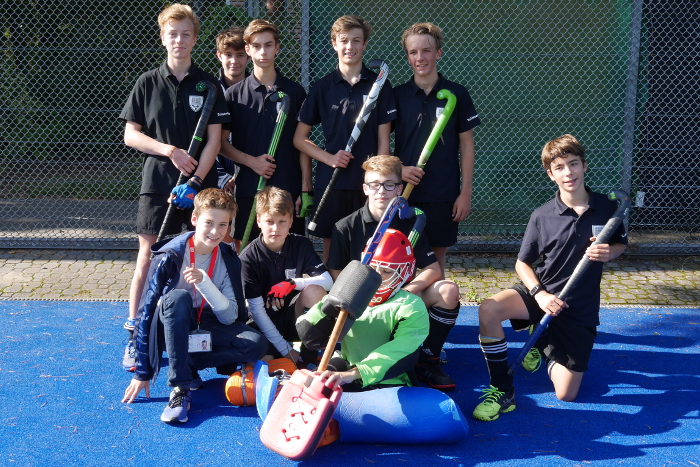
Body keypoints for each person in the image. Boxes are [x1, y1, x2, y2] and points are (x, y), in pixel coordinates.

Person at [472, 134, 627, 422]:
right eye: (559, 167)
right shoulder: (542, 216)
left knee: (566, 393)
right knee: (489, 309)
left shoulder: (608, 208)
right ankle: (502, 389)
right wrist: (539, 294)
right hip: (542, 293)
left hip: (579, 307)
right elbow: (522, 263)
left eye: (573, 164)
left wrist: (610, 252)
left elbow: (621, 243)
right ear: (550, 174)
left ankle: (542, 339)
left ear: (584, 165)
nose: (568, 172)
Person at [119, 4, 230, 372]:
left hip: (199, 187)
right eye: (172, 33)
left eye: (185, 34)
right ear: (163, 37)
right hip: (158, 183)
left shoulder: (209, 85)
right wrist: (170, 151)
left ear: (195, 39)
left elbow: (214, 141)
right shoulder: (147, 82)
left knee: (201, 255)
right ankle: (136, 334)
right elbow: (131, 135)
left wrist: (196, 180)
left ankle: (196, 329)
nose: (179, 40)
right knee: (148, 255)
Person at [121, 188, 267, 424]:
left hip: (205, 321)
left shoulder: (228, 258)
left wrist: (205, 283)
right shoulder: (169, 256)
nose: (215, 231)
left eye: (223, 225)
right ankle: (180, 388)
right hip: (170, 326)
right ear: (194, 219)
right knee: (179, 298)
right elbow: (146, 313)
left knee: (255, 344)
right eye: (209, 223)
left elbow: (230, 317)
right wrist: (142, 371)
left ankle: (189, 364)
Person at [327, 155, 462, 391]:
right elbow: (336, 274)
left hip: (399, 298)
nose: (381, 191)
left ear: (399, 189)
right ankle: (350, 355)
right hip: (361, 303)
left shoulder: (409, 224)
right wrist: (361, 296)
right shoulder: (345, 226)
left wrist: (404, 293)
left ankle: (427, 359)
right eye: (374, 184)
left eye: (389, 184)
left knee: (448, 290)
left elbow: (433, 269)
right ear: (365, 188)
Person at [294, 15, 396, 262]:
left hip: (368, 183)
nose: (350, 46)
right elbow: (299, 138)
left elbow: (384, 141)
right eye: (344, 40)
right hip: (332, 181)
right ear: (334, 44)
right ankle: (334, 288)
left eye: (356, 40)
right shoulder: (322, 87)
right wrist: (329, 158)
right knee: (333, 249)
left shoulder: (380, 85)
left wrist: (380, 180)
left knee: (370, 247)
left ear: (365, 44)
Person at [393, 22, 481, 277]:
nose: (420, 57)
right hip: (404, 190)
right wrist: (399, 170)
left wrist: (465, 192)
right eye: (413, 52)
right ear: (408, 57)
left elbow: (467, 144)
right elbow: (381, 142)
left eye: (427, 50)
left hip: (443, 191)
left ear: (438, 53)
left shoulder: (457, 93)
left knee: (436, 262)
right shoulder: (397, 95)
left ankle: (436, 302)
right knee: (403, 257)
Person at [298, 228, 429, 391]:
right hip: (347, 363)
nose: (377, 276)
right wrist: (330, 304)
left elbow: (401, 350)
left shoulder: (410, 306)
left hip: (387, 378)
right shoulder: (351, 294)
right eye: (372, 267)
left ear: (405, 271)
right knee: (314, 387)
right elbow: (308, 336)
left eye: (387, 271)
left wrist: (355, 373)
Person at [219, 19, 310, 252]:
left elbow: (303, 144)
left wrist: (304, 188)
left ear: (277, 47)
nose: (263, 52)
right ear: (248, 50)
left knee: (289, 253)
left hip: (288, 188)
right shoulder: (233, 95)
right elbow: (221, 143)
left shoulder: (295, 92)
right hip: (249, 188)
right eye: (256, 46)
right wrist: (252, 162)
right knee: (246, 252)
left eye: (268, 45)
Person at [239, 187, 332, 368]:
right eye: (269, 221)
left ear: (291, 221)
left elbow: (328, 282)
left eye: (282, 221)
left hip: (292, 316)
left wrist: (292, 283)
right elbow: (256, 311)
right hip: (261, 321)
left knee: (315, 291)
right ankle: (288, 356)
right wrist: (286, 351)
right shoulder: (248, 258)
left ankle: (309, 353)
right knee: (262, 362)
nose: (276, 228)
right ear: (259, 221)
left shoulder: (301, 244)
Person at [213, 26, 249, 245]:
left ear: (248, 55)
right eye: (228, 55)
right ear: (219, 55)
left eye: (240, 55)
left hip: (250, 175)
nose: (234, 61)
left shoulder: (259, 90)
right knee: (220, 237)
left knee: (245, 239)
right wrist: (223, 177)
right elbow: (206, 140)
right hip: (217, 177)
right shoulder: (209, 91)